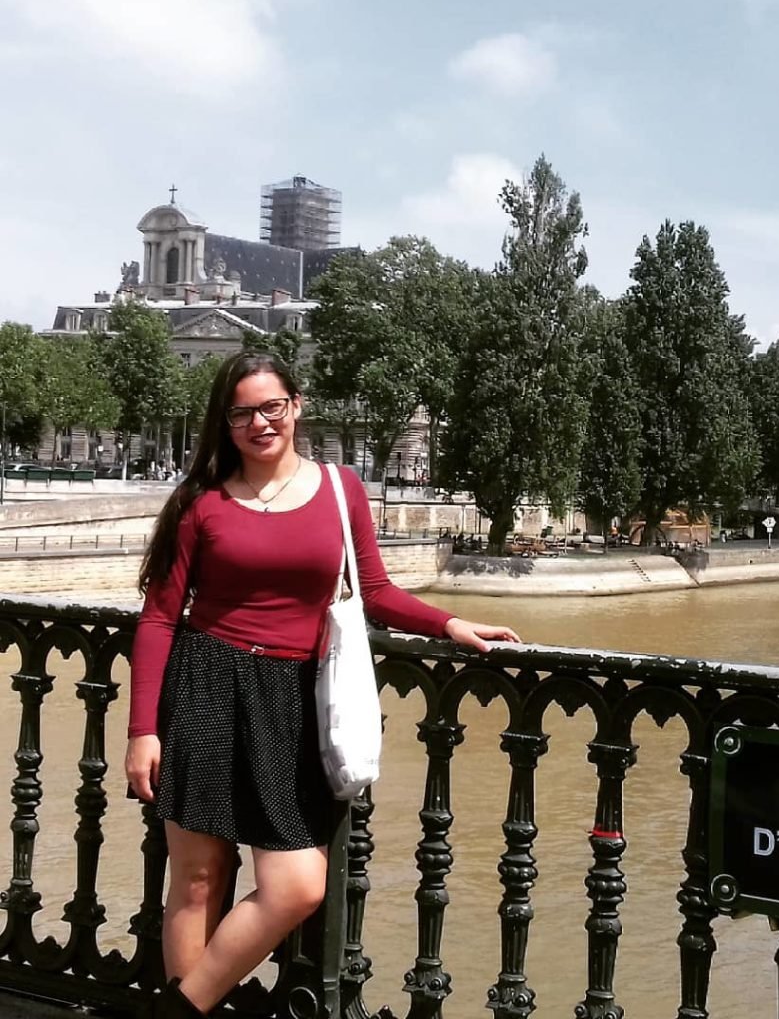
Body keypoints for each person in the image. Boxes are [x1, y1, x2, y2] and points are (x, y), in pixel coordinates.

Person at [124, 351, 520, 1018]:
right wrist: (142, 729)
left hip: (290, 699)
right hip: (206, 687)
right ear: (226, 423)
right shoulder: (202, 502)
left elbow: (377, 590)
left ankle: (176, 1011)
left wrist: (449, 622)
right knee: (197, 880)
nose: (259, 423)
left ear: (297, 406)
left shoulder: (340, 491)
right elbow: (162, 615)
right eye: (243, 412)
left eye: (271, 407)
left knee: (297, 885)